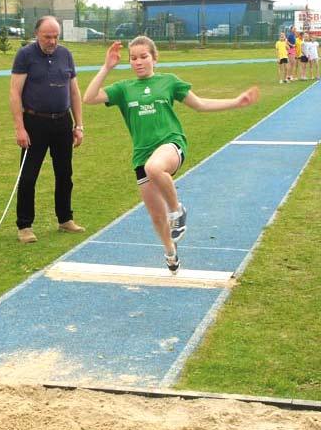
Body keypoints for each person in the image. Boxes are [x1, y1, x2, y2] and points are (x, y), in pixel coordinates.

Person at [82, 37, 259, 274]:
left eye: (144, 56)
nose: (139, 62)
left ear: (154, 57)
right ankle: (170, 251)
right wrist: (106, 67)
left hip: (171, 145)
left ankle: (177, 209)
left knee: (155, 168)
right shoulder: (124, 89)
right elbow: (89, 98)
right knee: (156, 216)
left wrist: (236, 102)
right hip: (141, 155)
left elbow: (200, 105)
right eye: (133, 58)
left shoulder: (169, 82)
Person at [10, 16, 86, 244]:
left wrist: (78, 124)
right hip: (34, 123)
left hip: (62, 122)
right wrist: (20, 128)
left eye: (55, 36)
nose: (52, 41)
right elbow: (14, 92)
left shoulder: (66, 55)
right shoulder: (25, 55)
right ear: (37, 35)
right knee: (28, 176)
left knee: (64, 174)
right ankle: (24, 226)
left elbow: (74, 92)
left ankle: (65, 219)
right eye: (47, 37)